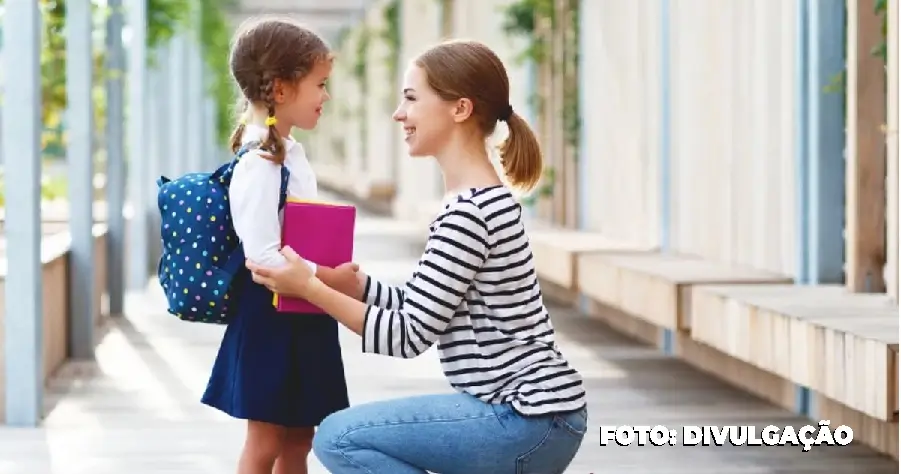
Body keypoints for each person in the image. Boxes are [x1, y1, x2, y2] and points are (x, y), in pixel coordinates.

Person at [245, 39, 588, 474]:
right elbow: (428, 302)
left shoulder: (469, 213)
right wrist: (359, 287)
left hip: (524, 418)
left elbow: (407, 336)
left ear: (459, 109)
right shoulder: (481, 200)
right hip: (543, 416)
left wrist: (309, 288)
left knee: (340, 438)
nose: (399, 113)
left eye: (411, 98)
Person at [200, 18, 359, 474]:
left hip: (301, 313)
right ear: (282, 90)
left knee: (300, 438)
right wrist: (331, 280)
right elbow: (263, 258)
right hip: (272, 316)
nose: (326, 96)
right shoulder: (260, 165)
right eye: (320, 84)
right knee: (266, 438)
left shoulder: (287, 153)